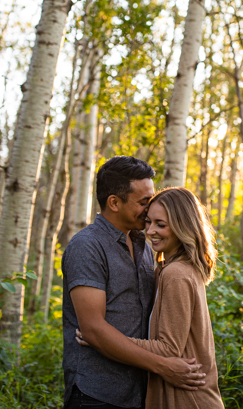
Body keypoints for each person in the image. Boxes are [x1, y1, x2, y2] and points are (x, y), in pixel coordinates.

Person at [62, 157, 206, 409]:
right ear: (114, 203)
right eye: (143, 202)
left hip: (141, 392)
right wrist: (164, 366)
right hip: (97, 393)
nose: (150, 209)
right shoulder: (87, 247)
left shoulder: (145, 245)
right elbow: (93, 330)